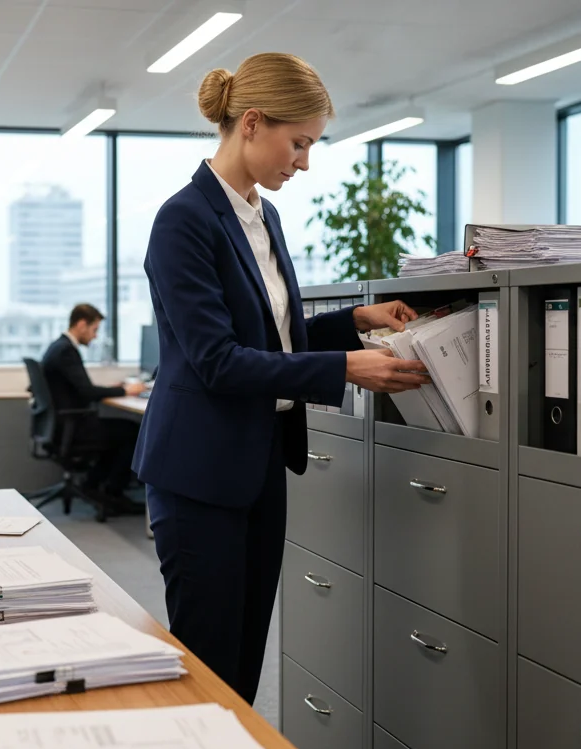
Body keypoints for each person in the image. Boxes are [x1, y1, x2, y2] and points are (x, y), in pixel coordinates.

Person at [132, 53, 432, 704]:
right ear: (252, 123)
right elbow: (218, 360)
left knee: (242, 667)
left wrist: (354, 322)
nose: (303, 162)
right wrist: (345, 369)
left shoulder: (262, 218)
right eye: (298, 143)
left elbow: (277, 340)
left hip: (260, 465)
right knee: (208, 668)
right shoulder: (183, 220)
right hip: (200, 474)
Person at [40, 304, 146, 509]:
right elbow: (87, 392)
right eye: (94, 329)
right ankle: (113, 492)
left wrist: (114, 389)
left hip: (62, 425)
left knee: (122, 432)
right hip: (72, 426)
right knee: (132, 432)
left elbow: (81, 388)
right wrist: (126, 391)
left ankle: (93, 485)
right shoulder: (65, 351)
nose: (95, 336)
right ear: (81, 324)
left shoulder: (59, 347)